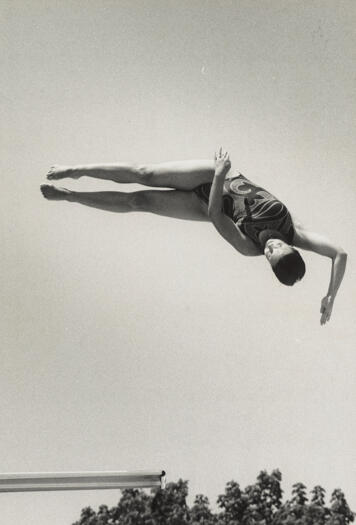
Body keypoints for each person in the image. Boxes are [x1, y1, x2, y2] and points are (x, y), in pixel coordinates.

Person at [40, 148, 347, 325]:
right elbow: (339, 254)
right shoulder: (295, 230)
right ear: (291, 248)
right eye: (278, 247)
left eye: (269, 255)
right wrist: (331, 295)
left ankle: (70, 196)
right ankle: (74, 169)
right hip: (217, 176)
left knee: (140, 202)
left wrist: (217, 177)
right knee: (143, 173)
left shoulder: (248, 247)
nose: (270, 246)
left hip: (206, 199)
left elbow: (215, 214)